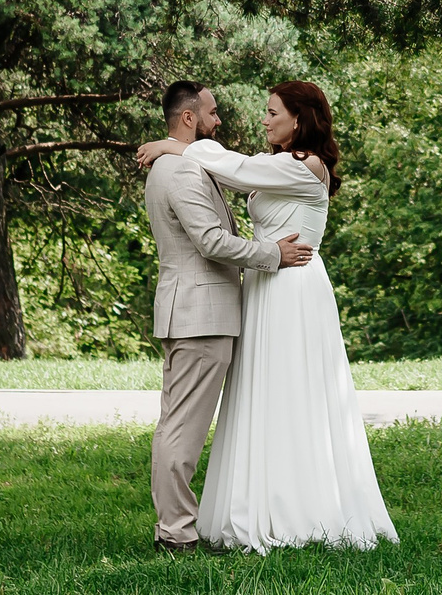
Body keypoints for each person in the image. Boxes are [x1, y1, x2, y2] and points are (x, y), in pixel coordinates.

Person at [136, 81, 397, 553]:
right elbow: (237, 173)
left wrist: (172, 145)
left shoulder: (307, 166)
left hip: (292, 287)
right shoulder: (280, 165)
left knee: (294, 397)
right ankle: (250, 506)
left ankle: (300, 509)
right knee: (259, 398)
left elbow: (237, 167)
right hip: (262, 284)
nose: (263, 119)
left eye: (272, 111)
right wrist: (178, 148)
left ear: (299, 119)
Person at [140, 79, 312, 553]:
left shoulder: (175, 164)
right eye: (213, 114)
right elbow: (212, 241)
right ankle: (176, 535)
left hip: (193, 311)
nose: (220, 122)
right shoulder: (180, 171)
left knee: (177, 422)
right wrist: (272, 253)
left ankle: (174, 528)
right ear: (190, 118)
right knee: (183, 429)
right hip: (202, 314)